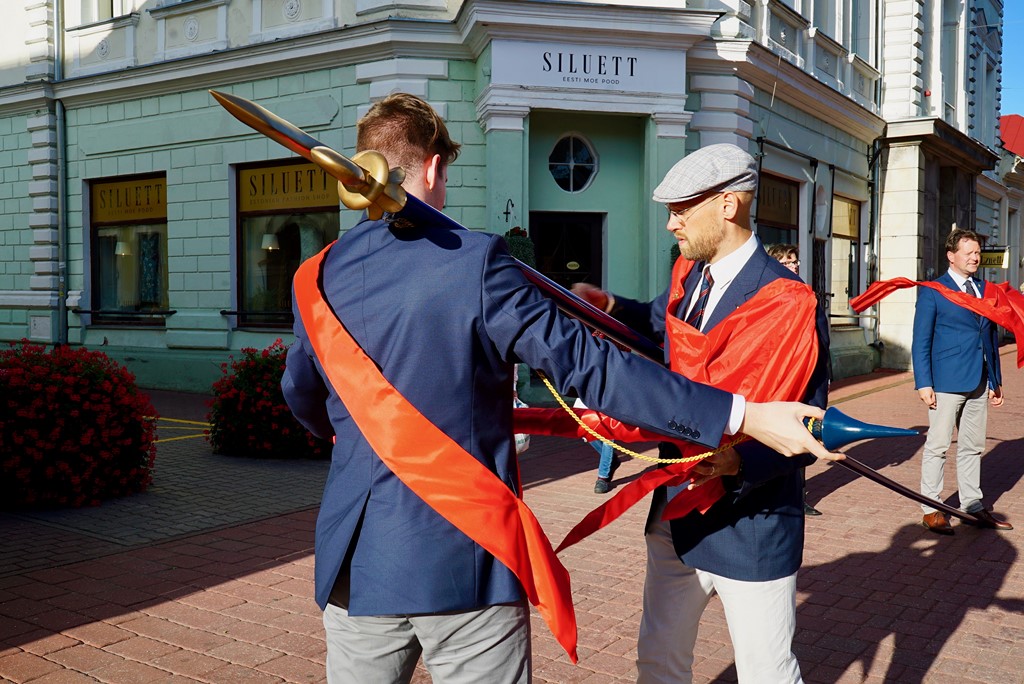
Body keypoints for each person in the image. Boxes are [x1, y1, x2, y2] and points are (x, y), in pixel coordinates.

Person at [281, 95, 838, 684]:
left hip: (355, 558)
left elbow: (303, 398)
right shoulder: (474, 262)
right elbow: (593, 367)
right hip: (464, 551)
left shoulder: (314, 275)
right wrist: (740, 415)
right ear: (435, 167)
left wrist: (366, 438)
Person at [573, 143, 830, 683]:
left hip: (751, 523)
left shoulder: (791, 300)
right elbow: (664, 323)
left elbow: (809, 422)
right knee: (658, 662)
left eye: (681, 210)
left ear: (728, 205)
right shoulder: (689, 274)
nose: (671, 224)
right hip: (676, 513)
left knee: (767, 674)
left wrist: (739, 464)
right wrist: (612, 306)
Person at [913, 228, 1012, 534]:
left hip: (979, 380)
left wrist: (995, 379)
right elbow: (921, 340)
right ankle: (931, 508)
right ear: (951, 256)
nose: (975, 258)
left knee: (972, 446)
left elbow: (989, 337)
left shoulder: (985, 289)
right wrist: (923, 383)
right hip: (945, 381)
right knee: (938, 446)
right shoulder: (933, 290)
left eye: (977, 252)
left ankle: (972, 504)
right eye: (968, 253)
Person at [766, 243, 823, 517]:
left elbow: (821, 339)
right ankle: (777, 495)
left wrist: (822, 376)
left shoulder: (807, 293)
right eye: (787, 262)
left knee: (803, 434)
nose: (794, 265)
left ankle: (798, 496)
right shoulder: (769, 296)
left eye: (795, 261)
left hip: (806, 378)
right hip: (779, 381)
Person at [572, 397, 622, 493]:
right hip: (587, 396)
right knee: (586, 432)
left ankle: (602, 478)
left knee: (608, 436)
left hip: (609, 397)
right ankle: (612, 460)